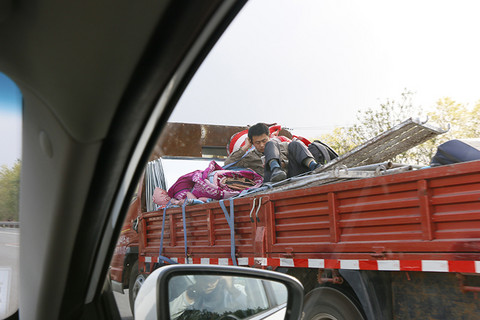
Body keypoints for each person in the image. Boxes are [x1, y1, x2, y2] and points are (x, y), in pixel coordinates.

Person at [224, 123, 322, 182]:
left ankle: (315, 167)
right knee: (269, 146)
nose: (262, 145)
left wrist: (284, 164)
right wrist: (245, 147)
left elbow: (298, 154)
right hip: (272, 181)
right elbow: (228, 164)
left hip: (292, 176)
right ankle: (275, 170)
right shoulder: (250, 157)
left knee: (295, 144)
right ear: (252, 142)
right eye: (257, 143)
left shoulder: (283, 146)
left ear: (269, 136)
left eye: (264, 140)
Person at [169, 275, 247, 320]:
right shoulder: (193, 294)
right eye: (206, 280)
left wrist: (231, 288)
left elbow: (251, 306)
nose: (209, 284)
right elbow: (169, 313)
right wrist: (190, 295)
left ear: (220, 279)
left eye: (213, 280)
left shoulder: (234, 291)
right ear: (197, 279)